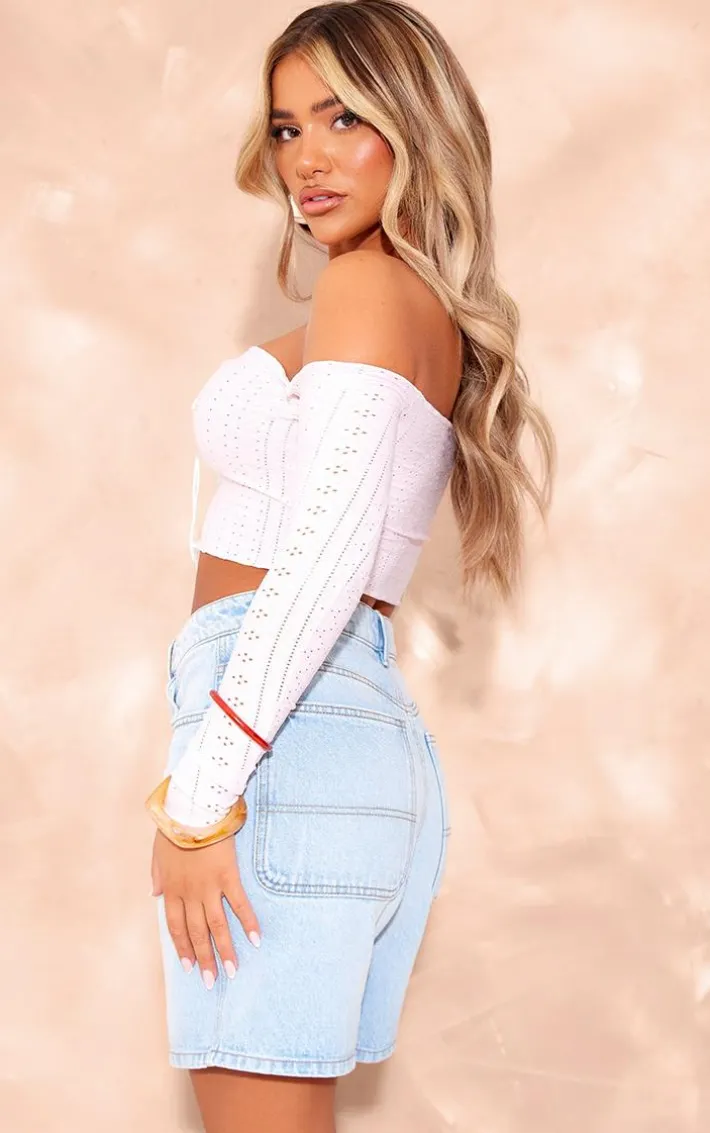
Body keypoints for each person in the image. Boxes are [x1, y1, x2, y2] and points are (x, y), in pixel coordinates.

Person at [145, 2, 556, 1130]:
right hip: (330, 732)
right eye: (286, 129)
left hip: (278, 736)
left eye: (343, 118)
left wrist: (199, 800)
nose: (307, 159)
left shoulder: (367, 290)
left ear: (412, 123)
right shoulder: (406, 301)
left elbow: (320, 563)